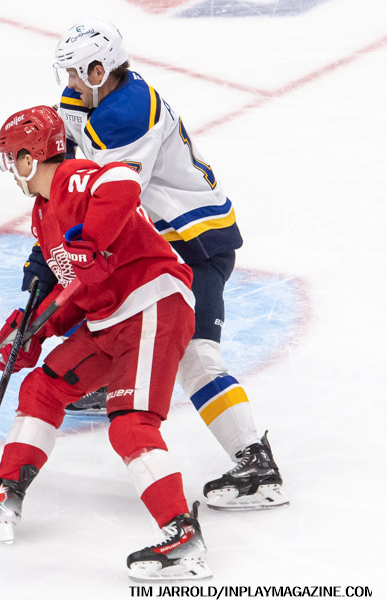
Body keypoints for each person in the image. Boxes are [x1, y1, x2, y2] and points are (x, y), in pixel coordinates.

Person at [0, 106, 211, 582]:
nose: (12, 170)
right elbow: (78, 288)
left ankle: (183, 537)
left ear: (30, 158)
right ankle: (4, 500)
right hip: (110, 319)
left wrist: (93, 240)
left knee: (130, 425)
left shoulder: (73, 178)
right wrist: (32, 331)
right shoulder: (45, 213)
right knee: (42, 390)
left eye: (12, 159)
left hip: (152, 304)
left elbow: (123, 180)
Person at [44, 19, 287, 510]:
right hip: (159, 239)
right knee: (114, 307)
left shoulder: (126, 116)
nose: (69, 83)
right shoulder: (91, 97)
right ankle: (118, 376)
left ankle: (258, 466)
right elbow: (67, 157)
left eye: (75, 72)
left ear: (99, 71)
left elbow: (113, 199)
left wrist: (64, 243)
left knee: (195, 353)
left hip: (195, 243)